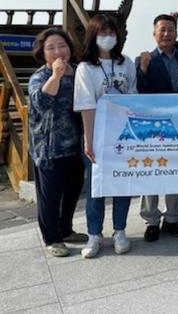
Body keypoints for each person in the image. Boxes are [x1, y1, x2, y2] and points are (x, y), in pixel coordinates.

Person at [74, 14, 137, 258]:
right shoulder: (85, 68)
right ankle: (94, 234)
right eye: (103, 33)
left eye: (111, 33)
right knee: (96, 186)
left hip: (123, 134)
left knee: (123, 183)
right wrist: (88, 140)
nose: (108, 38)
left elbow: (133, 95)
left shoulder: (126, 62)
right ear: (93, 36)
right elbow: (86, 105)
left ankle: (120, 230)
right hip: (97, 134)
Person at [28, 28, 86, 257]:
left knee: (72, 192)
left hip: (76, 145)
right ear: (43, 53)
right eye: (50, 48)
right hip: (49, 148)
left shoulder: (79, 72)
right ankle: (52, 239)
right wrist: (56, 76)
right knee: (50, 197)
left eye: (62, 46)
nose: (58, 51)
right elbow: (41, 103)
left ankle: (66, 229)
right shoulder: (40, 76)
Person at [135, 14, 178, 242]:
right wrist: (143, 68)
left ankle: (172, 218)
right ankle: (151, 220)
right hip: (153, 125)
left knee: (175, 171)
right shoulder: (144, 59)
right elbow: (138, 91)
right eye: (162, 29)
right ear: (154, 33)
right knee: (151, 171)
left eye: (170, 29)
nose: (166, 34)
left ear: (177, 33)